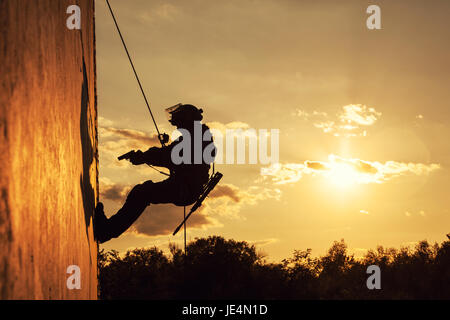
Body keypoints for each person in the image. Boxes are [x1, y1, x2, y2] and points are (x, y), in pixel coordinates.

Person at [94, 104, 215, 243]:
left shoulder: (197, 138)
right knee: (142, 192)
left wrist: (144, 157)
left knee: (142, 193)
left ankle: (107, 231)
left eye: (179, 123)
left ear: (186, 120)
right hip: (183, 186)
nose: (176, 127)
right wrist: (146, 156)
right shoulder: (196, 136)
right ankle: (107, 229)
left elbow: (170, 156)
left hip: (184, 189)